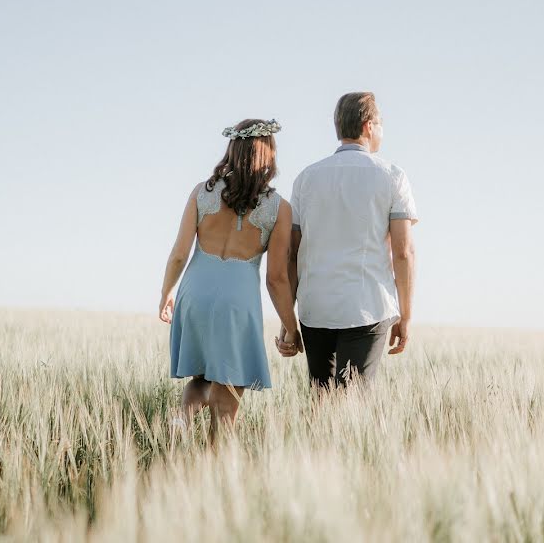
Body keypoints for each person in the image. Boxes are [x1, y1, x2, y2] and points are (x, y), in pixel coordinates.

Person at [159, 118, 300, 442]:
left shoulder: (202, 193)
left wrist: (166, 293)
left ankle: (182, 417)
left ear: (233, 150)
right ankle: (213, 471)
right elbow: (276, 278)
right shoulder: (279, 208)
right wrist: (291, 328)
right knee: (226, 407)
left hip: (194, 293)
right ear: (269, 155)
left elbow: (179, 253)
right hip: (238, 301)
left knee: (201, 374)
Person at [277, 93, 418, 390]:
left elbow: (291, 253)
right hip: (367, 305)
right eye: (381, 124)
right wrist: (406, 316)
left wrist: (287, 321)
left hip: (315, 307)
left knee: (321, 399)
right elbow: (403, 252)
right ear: (369, 125)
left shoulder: (306, 178)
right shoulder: (393, 176)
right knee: (352, 403)